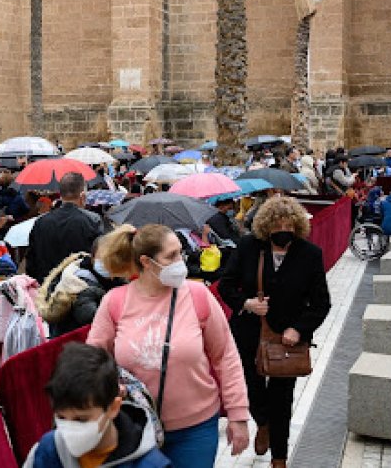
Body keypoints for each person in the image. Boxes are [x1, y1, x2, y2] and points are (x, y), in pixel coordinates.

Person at [88, 224, 250, 468]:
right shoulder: (115, 302)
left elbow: (225, 356)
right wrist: (109, 386)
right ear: (146, 262)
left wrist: (238, 414)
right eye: (171, 256)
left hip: (196, 430)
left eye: (180, 253)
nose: (180, 261)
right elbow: (92, 361)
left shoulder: (198, 295)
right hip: (136, 430)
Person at [218, 197, 331, 468]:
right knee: (251, 387)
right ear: (266, 226)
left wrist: (299, 329)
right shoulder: (248, 246)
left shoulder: (310, 254)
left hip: (287, 339)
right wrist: (246, 303)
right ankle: (263, 422)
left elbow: (321, 303)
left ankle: (279, 458)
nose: (284, 229)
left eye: (289, 225)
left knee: (282, 397)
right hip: (249, 333)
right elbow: (227, 285)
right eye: (278, 224)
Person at [24, 343, 170, 468]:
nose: (69, 429)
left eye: (81, 420)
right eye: (61, 417)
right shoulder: (48, 449)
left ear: (113, 408)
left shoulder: (151, 464)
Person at [25, 172, 104, 283]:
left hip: (47, 287)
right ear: (82, 196)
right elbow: (100, 260)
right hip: (80, 287)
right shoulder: (93, 220)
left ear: (61, 196)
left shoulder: (41, 222)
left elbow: (31, 262)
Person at [37, 251, 124, 337]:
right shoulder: (84, 287)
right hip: (78, 344)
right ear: (93, 257)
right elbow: (94, 317)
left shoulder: (72, 274)